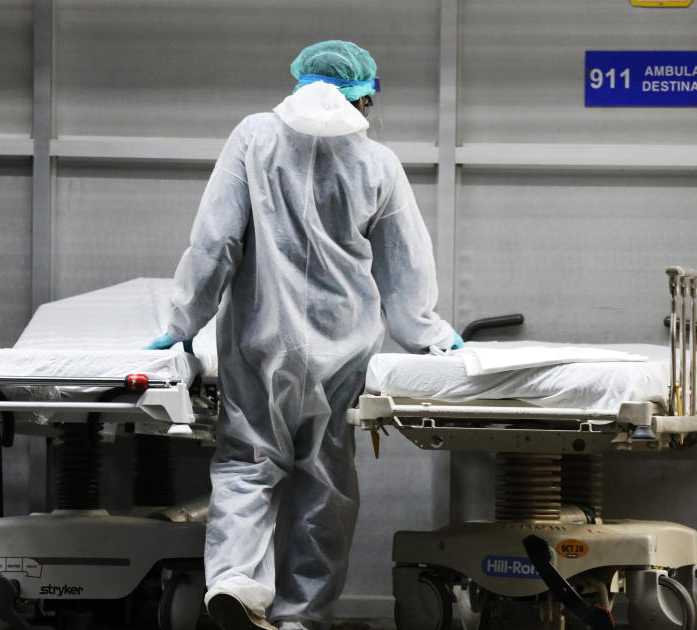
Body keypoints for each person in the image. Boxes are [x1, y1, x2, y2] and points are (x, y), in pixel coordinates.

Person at [145, 40, 462, 630]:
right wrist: (430, 335)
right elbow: (405, 271)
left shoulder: (253, 137)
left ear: (299, 84)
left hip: (258, 341)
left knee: (248, 464)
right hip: (343, 351)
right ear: (364, 99)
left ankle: (237, 584)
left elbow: (215, 243)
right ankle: (301, 617)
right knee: (325, 480)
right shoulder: (378, 163)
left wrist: (181, 323)